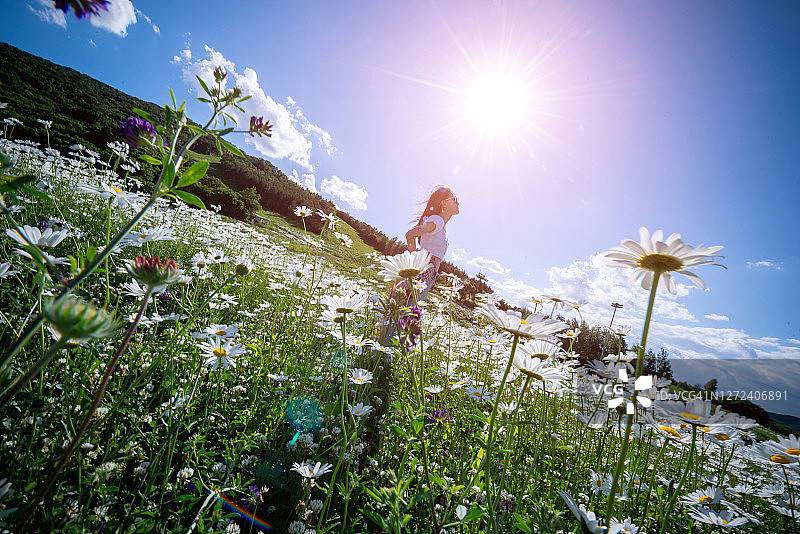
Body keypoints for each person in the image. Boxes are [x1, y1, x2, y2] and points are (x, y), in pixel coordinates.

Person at [403, 185, 460, 300]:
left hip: (429, 272)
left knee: (408, 309)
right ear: (444, 203)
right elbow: (410, 234)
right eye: (454, 199)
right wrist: (413, 265)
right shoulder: (437, 221)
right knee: (407, 308)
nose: (458, 203)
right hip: (424, 269)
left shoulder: (441, 225)